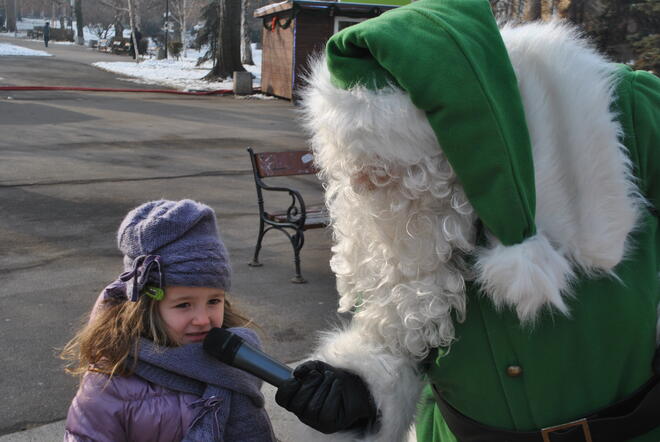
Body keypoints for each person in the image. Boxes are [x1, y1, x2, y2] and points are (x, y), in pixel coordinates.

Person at [274, 0, 660, 441]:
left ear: (460, 133)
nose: (364, 183)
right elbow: (396, 332)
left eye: (385, 163)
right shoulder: (392, 205)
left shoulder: (619, 111)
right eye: (355, 162)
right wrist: (359, 386)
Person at [61, 199, 276, 442]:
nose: (203, 320)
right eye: (184, 304)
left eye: (214, 301)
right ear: (146, 305)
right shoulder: (109, 383)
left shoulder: (233, 356)